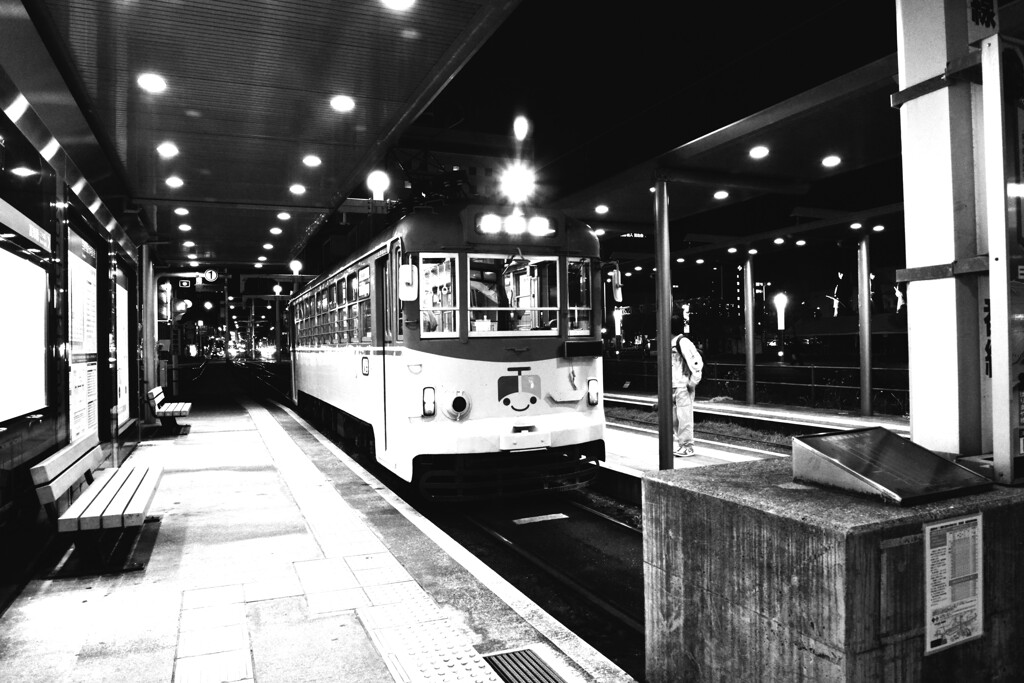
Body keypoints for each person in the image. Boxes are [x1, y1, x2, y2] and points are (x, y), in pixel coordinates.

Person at [670, 315, 703, 457]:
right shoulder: (672, 342)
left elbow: (696, 363)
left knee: (684, 417)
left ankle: (687, 446)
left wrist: (692, 382)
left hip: (683, 385)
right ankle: (682, 444)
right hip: (674, 385)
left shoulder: (683, 342)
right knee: (675, 419)